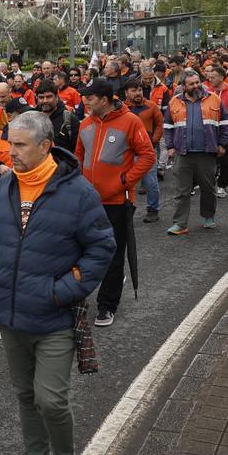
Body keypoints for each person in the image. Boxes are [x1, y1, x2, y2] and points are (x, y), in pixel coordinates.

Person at [0, 112, 115, 455]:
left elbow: (102, 247)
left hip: (54, 319)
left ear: (45, 146)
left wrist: (62, 291)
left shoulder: (77, 191)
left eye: (20, 145)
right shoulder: (6, 187)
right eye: (9, 144)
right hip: (10, 315)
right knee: (25, 395)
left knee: (50, 400)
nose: (11, 152)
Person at [75, 79, 154, 327]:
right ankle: (77, 298)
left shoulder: (130, 121)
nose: (85, 101)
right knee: (81, 250)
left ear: (105, 99)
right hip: (88, 201)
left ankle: (107, 305)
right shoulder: (85, 124)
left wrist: (123, 182)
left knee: (113, 254)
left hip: (118, 202)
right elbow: (79, 155)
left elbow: (148, 155)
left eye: (90, 97)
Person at [124, 79, 164, 224]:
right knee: (125, 182)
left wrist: (154, 140)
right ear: (126, 93)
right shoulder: (121, 108)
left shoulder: (152, 106)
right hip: (127, 152)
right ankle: (124, 209)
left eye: (139, 90)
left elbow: (160, 124)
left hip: (146, 152)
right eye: (134, 90)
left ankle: (153, 210)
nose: (138, 93)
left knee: (150, 182)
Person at [204, 65, 228, 199]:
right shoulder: (208, 91)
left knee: (225, 159)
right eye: (209, 76)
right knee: (209, 159)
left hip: (227, 131)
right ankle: (208, 183)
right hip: (210, 130)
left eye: (213, 77)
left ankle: (222, 185)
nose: (210, 79)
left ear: (221, 77)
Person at [34, 82, 77, 154]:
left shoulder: (69, 119)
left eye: (49, 97)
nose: (45, 101)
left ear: (57, 96)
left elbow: (77, 150)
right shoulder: (31, 118)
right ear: (36, 98)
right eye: (41, 97)